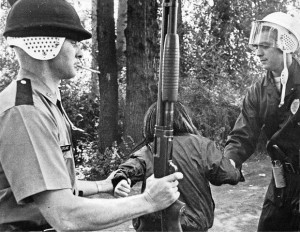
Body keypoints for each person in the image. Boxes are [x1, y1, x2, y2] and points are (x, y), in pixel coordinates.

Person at [0, 0, 183, 231]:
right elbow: (65, 216)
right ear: (45, 44)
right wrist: (148, 201)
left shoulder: (42, 101)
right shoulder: (25, 111)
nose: (81, 51)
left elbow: (56, 187)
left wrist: (103, 185)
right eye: (74, 42)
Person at [111, 101, 242, 231]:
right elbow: (228, 175)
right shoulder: (202, 146)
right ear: (184, 119)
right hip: (193, 226)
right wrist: (233, 165)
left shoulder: (150, 149)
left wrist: (121, 179)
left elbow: (129, 168)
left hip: (153, 226)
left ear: (151, 123)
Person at [224, 12, 300, 231]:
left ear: (286, 44)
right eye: (257, 46)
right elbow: (242, 134)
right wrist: (230, 161)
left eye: (265, 46)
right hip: (280, 180)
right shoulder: (257, 90)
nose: (258, 53)